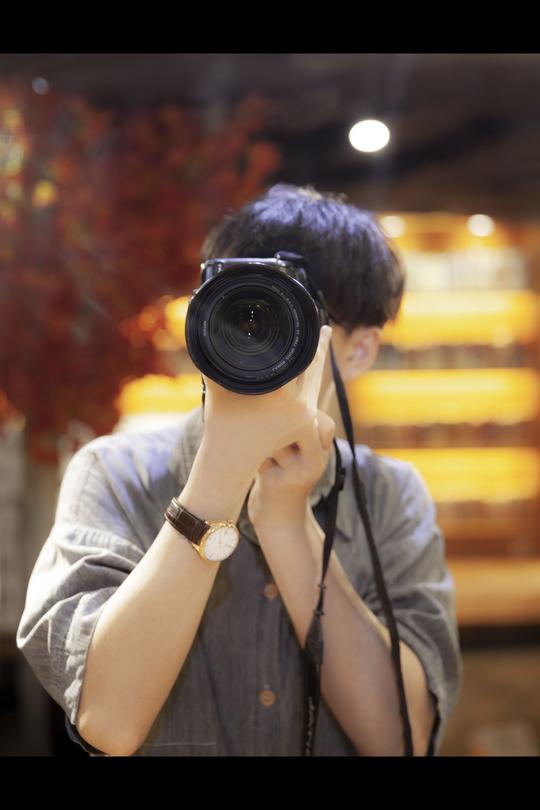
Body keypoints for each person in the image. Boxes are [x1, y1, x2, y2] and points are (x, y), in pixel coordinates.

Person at [16, 183, 463, 757]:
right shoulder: (115, 475)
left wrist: (289, 526)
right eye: (243, 310)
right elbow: (108, 722)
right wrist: (218, 478)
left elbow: (400, 741)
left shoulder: (388, 495)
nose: (258, 338)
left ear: (358, 351)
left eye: (290, 317)